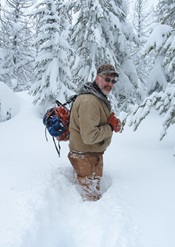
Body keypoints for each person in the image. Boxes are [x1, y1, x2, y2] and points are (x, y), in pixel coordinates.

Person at [68, 64, 122, 201]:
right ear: (97, 78)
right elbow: (89, 136)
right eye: (107, 79)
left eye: (113, 81)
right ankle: (88, 220)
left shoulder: (96, 97)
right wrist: (109, 127)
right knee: (91, 201)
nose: (110, 83)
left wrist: (111, 123)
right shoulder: (90, 101)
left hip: (88, 154)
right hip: (86, 156)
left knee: (87, 192)